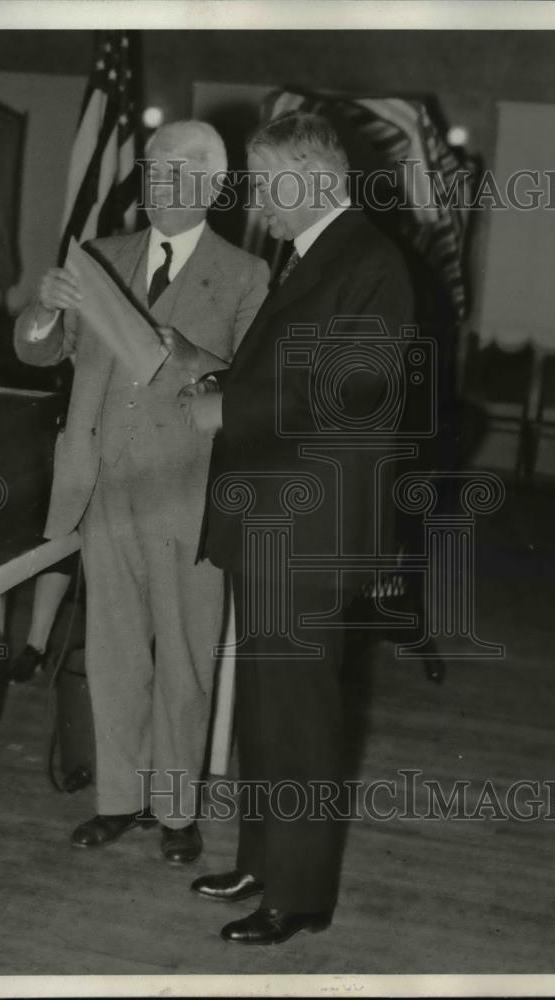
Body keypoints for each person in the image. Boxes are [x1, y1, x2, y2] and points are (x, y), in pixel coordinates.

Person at [180, 111, 413, 942]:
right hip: (275, 516)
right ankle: (262, 859)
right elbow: (294, 365)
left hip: (312, 523)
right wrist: (223, 375)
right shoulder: (319, 255)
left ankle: (301, 895)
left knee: (299, 712)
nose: (258, 203)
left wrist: (226, 407)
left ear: (313, 175)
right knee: (268, 706)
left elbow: (353, 386)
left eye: (267, 184)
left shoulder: (369, 259)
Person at [14, 120, 269, 864]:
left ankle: (178, 810)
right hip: (104, 488)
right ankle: (118, 801)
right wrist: (45, 310)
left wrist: (187, 358)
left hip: (190, 497)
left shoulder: (247, 275)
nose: (158, 184)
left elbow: (252, 388)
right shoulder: (102, 257)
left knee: (186, 660)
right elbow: (36, 350)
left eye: (177, 172)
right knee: (116, 654)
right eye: (153, 170)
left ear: (215, 186)